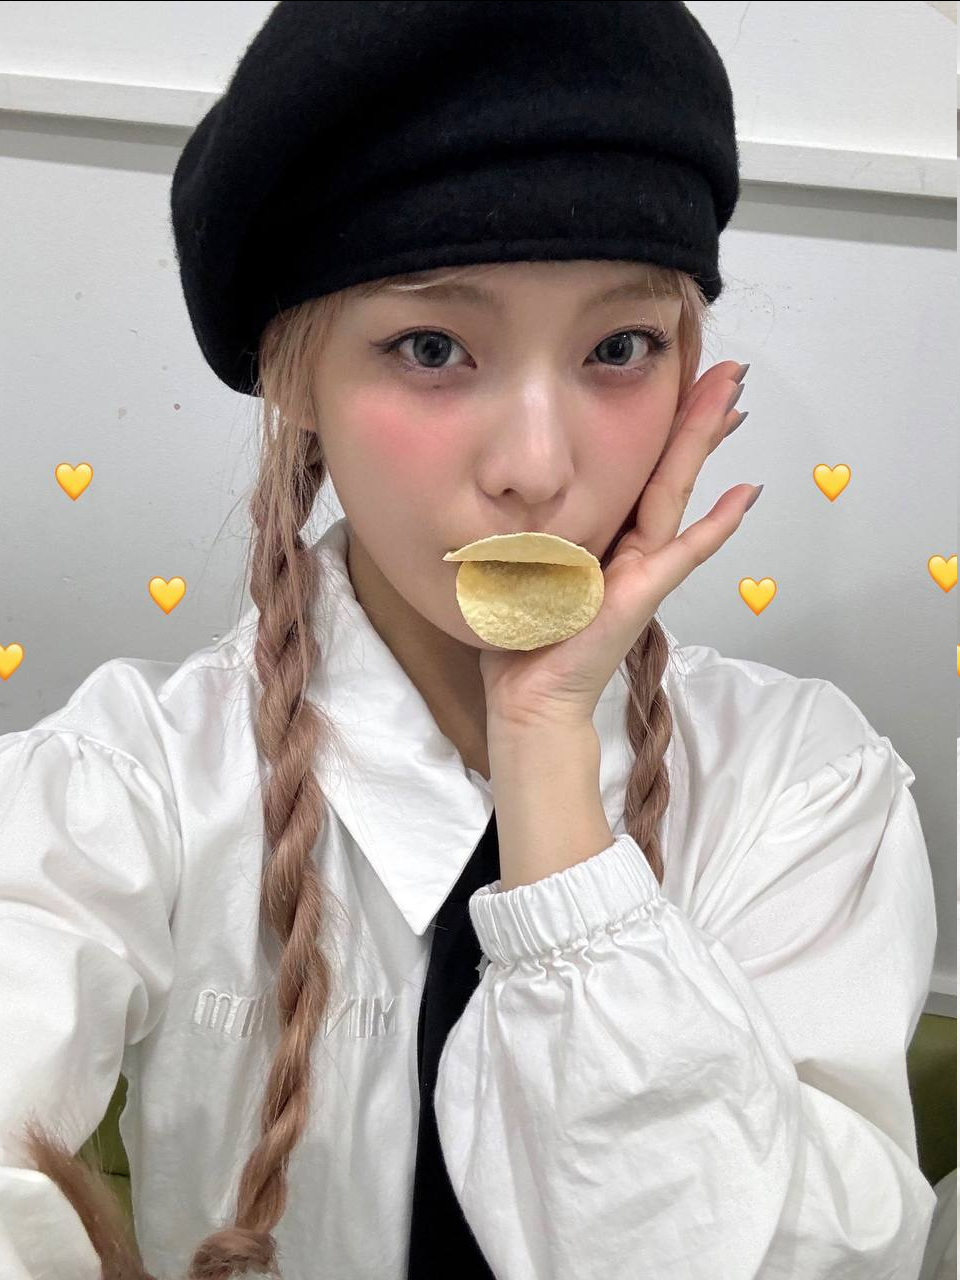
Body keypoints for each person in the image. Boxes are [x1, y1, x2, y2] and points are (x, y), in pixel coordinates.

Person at [0, 3, 941, 1279]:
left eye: (620, 347)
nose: (537, 467)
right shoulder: (134, 778)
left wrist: (550, 770)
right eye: (432, 347)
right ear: (296, 377)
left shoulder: (801, 787)